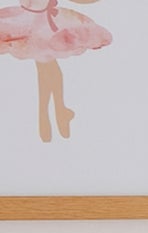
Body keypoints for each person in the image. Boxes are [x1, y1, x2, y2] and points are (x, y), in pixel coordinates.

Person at [0, 0, 111, 143]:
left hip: (37, 22)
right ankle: (55, 111)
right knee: (47, 66)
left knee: (46, 66)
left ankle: (51, 113)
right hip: (37, 23)